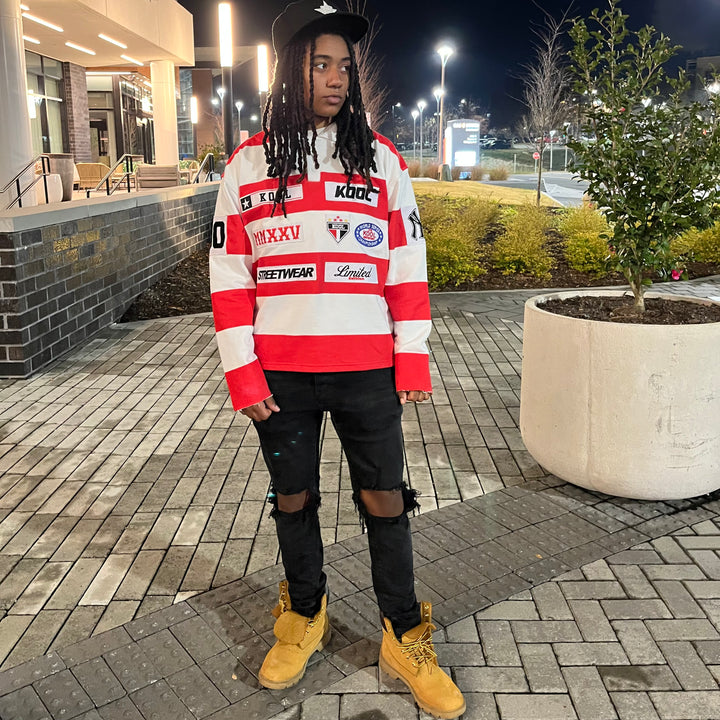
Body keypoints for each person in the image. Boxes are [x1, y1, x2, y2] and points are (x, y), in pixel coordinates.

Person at [210, 1, 465, 717]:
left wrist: (411, 356)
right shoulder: (247, 164)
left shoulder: (381, 160)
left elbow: (407, 265)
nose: (335, 79)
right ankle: (305, 612)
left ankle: (403, 634)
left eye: (344, 67)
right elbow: (229, 278)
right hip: (281, 377)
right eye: (319, 64)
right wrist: (242, 372)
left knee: (386, 498)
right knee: (292, 498)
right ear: (289, 71)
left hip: (368, 372)